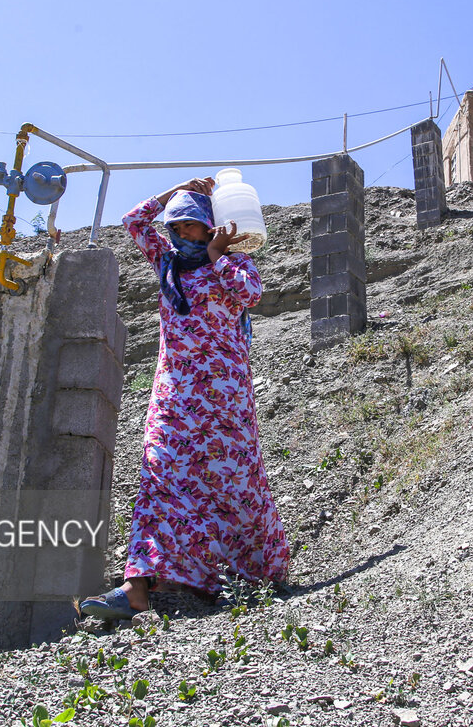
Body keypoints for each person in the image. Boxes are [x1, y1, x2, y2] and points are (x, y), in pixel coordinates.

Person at [79, 177, 290, 620]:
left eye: (190, 224)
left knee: (233, 482)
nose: (179, 232)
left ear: (211, 226)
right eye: (175, 225)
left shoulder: (237, 263)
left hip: (224, 397)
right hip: (175, 393)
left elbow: (249, 295)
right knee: (160, 474)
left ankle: (243, 575)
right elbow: (133, 220)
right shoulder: (167, 264)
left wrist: (216, 256)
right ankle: (136, 585)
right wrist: (174, 190)